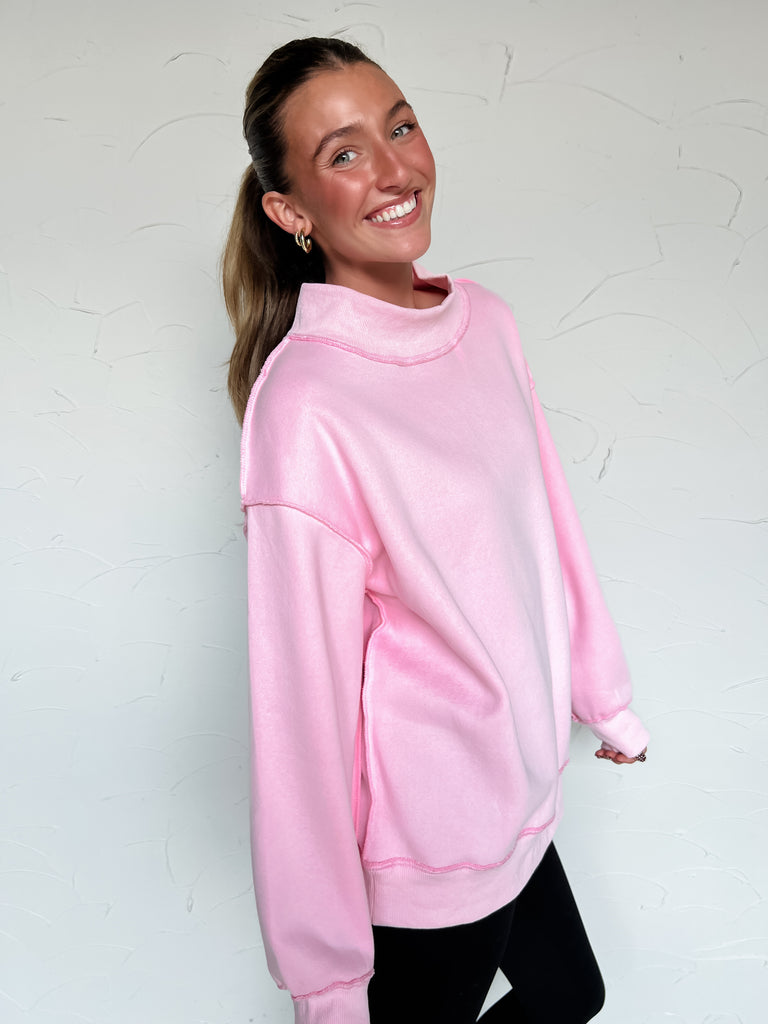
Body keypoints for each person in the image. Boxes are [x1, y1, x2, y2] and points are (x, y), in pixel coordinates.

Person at [222, 36, 650, 1024]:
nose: (394, 168)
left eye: (400, 127)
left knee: (568, 991)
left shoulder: (485, 322)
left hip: (519, 785)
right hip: (431, 836)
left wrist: (604, 699)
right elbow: (298, 709)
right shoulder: (306, 406)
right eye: (343, 153)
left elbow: (546, 527)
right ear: (289, 212)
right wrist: (328, 978)